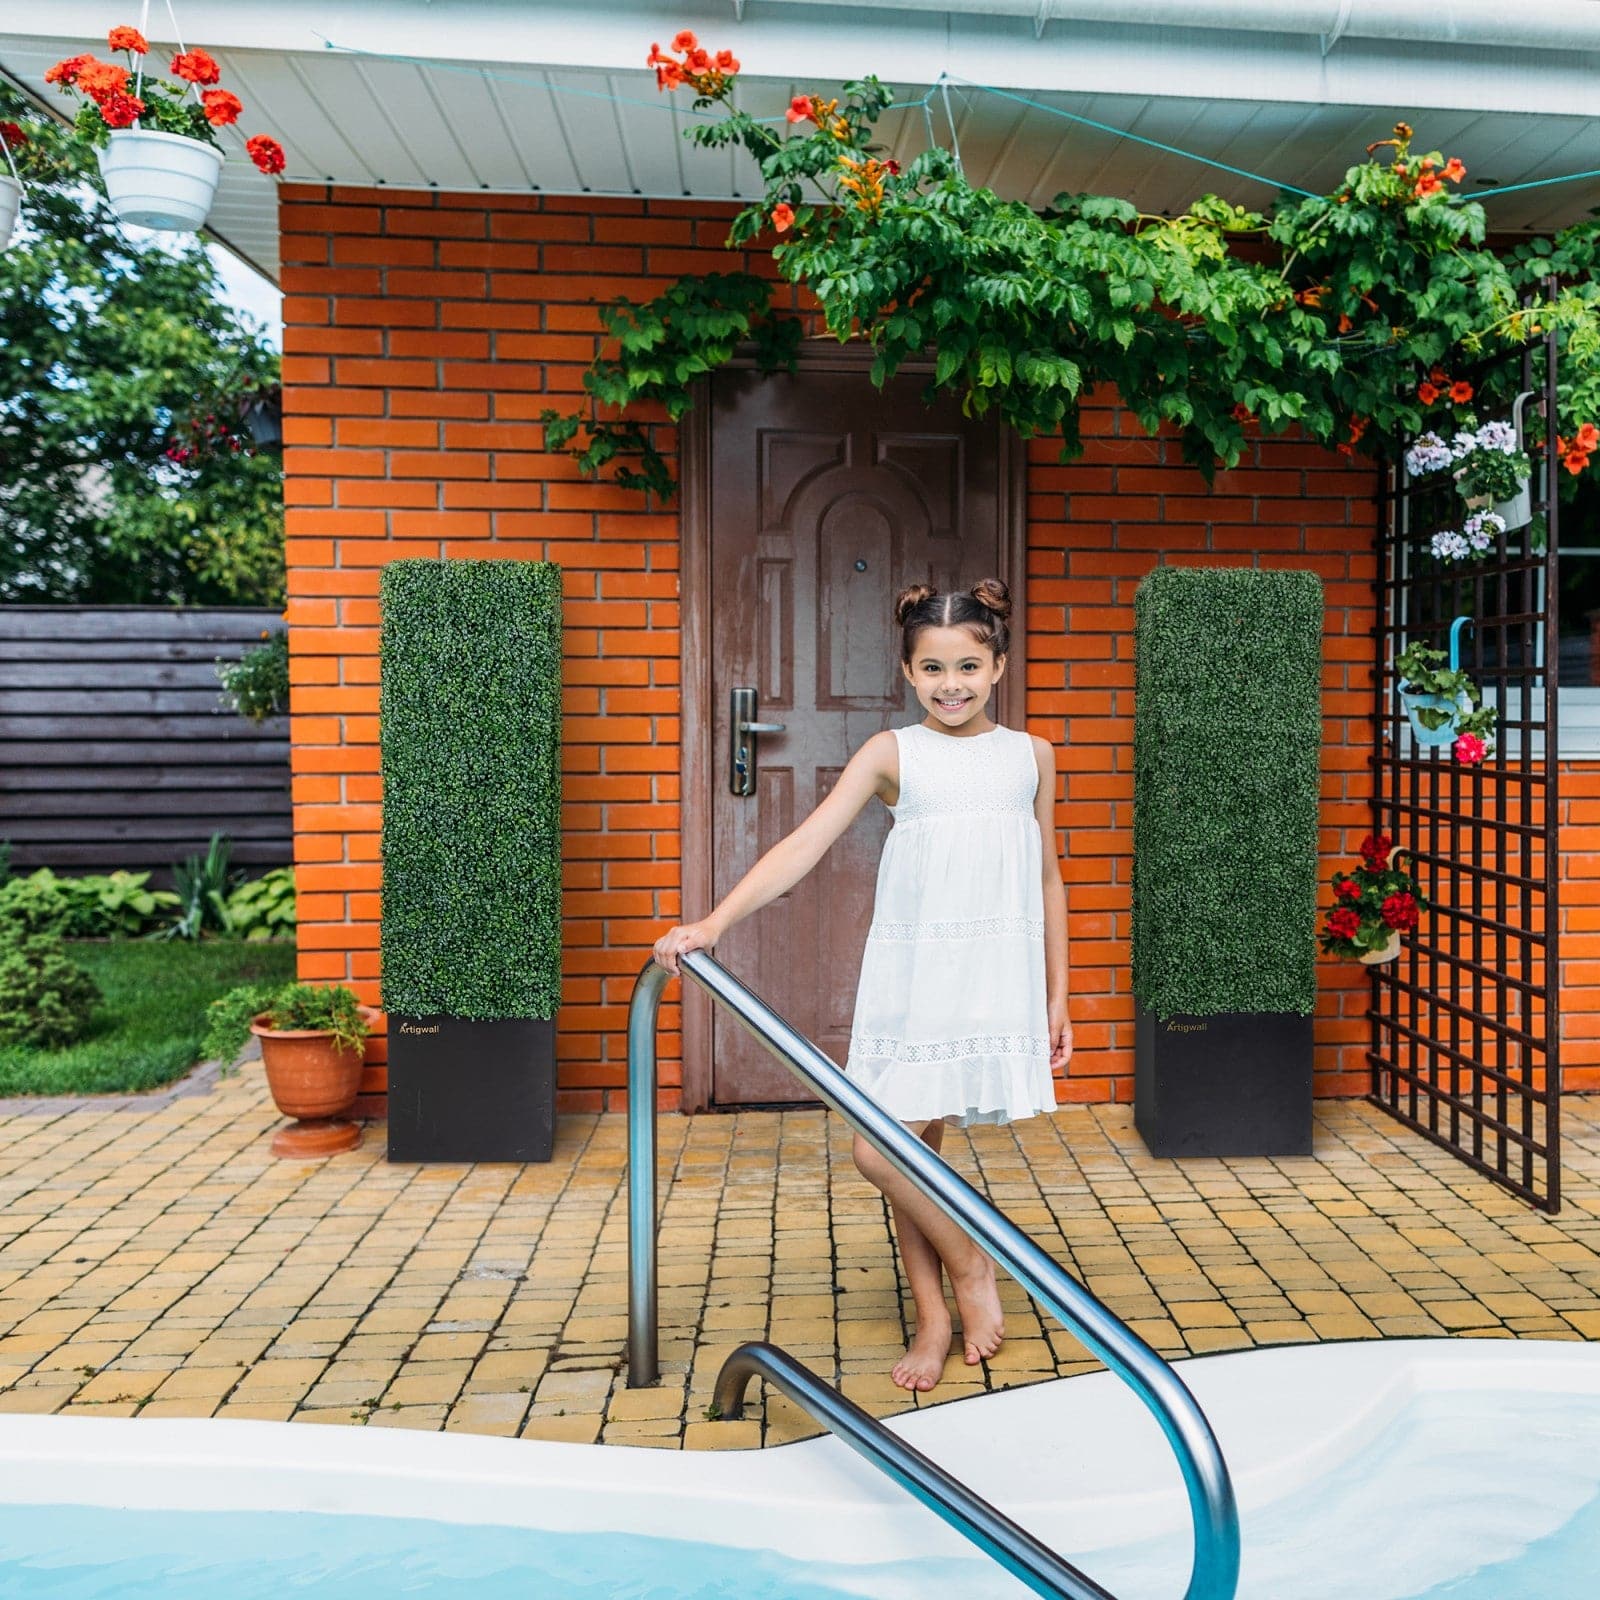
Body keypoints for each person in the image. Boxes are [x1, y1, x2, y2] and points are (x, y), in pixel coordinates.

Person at [652, 578, 1072, 1392]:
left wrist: (1056, 994)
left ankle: (947, 1302)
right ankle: (965, 1276)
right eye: (933, 668)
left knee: (906, 1153)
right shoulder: (892, 754)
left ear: (998, 665)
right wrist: (714, 921)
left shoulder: (1030, 757)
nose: (952, 684)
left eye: (968, 666)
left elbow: (1050, 878)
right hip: (913, 981)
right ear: (909, 674)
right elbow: (804, 846)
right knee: (888, 1149)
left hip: (988, 978)